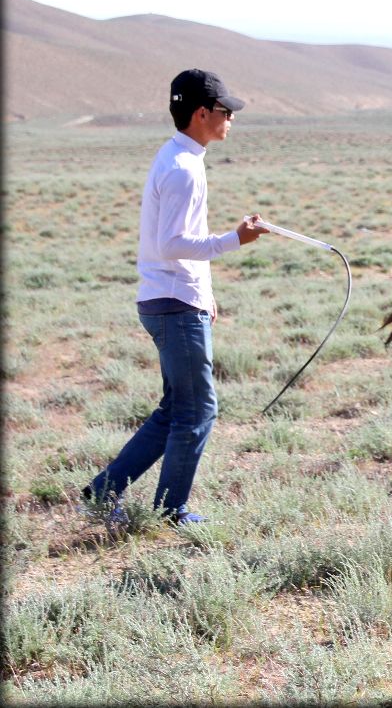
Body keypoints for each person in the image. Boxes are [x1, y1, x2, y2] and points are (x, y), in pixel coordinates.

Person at [83, 69, 263, 526]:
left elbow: (178, 243)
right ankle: (170, 510)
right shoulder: (183, 168)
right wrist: (232, 241)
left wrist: (205, 292)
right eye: (225, 112)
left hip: (173, 299)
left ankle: (103, 493)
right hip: (173, 303)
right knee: (199, 410)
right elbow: (173, 243)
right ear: (201, 113)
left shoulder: (180, 157)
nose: (230, 120)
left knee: (176, 409)